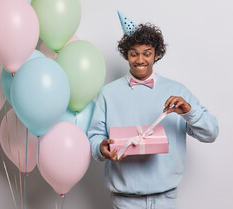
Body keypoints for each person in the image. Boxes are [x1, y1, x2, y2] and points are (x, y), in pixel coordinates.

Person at [87, 12, 219, 209]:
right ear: (126, 55)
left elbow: (211, 133)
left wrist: (189, 112)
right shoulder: (108, 94)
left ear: (156, 54)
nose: (140, 60)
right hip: (125, 201)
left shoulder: (177, 92)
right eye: (134, 53)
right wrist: (101, 148)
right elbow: (94, 138)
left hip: (166, 200)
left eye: (147, 53)